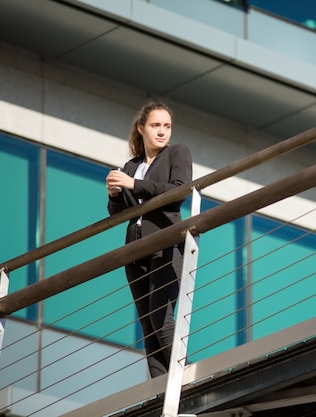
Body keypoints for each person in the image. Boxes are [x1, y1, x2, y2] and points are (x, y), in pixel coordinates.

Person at [106, 101, 192, 378]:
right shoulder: (130, 166)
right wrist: (115, 194)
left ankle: (185, 378)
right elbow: (121, 214)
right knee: (147, 326)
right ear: (141, 128)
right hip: (135, 252)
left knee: (160, 318)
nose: (162, 132)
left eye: (167, 126)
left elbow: (179, 192)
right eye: (156, 125)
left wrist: (133, 185)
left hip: (166, 245)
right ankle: (160, 392)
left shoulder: (177, 153)